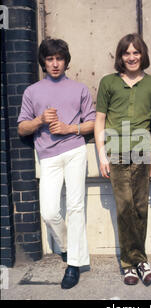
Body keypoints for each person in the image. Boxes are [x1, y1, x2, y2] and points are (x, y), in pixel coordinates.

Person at [17, 38, 96, 289]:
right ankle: (66, 247)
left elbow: (93, 123)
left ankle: (73, 264)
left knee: (75, 207)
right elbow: (21, 128)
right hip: (48, 156)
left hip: (74, 150)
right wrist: (40, 120)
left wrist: (69, 128)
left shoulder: (80, 89)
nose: (54, 63)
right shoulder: (32, 92)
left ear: (66, 61)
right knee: (49, 212)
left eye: (59, 58)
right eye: (50, 59)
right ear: (43, 62)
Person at [94, 33, 151, 286]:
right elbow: (100, 120)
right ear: (120, 57)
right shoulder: (108, 83)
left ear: (143, 54)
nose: (132, 57)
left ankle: (140, 260)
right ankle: (129, 263)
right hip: (117, 152)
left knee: (141, 208)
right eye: (127, 53)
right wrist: (101, 155)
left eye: (136, 52)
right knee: (125, 208)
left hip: (143, 153)